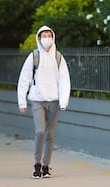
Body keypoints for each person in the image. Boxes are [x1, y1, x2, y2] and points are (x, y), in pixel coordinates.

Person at [17, 25, 71, 179]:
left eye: (49, 35)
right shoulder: (33, 57)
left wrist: (63, 101)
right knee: (40, 131)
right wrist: (22, 102)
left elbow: (64, 80)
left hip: (54, 101)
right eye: (43, 35)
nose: (46, 38)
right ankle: (37, 164)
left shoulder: (58, 57)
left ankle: (46, 166)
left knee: (51, 135)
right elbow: (24, 79)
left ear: (52, 38)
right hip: (37, 101)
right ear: (39, 38)